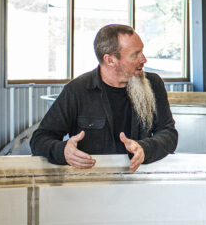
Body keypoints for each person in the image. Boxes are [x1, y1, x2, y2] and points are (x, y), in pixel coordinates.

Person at [30, 24, 177, 172]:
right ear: (110, 60)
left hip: (141, 180)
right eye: (135, 54)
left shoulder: (153, 84)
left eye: (142, 51)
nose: (144, 59)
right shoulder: (77, 90)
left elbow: (168, 134)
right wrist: (63, 152)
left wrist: (146, 149)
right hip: (92, 183)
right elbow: (39, 139)